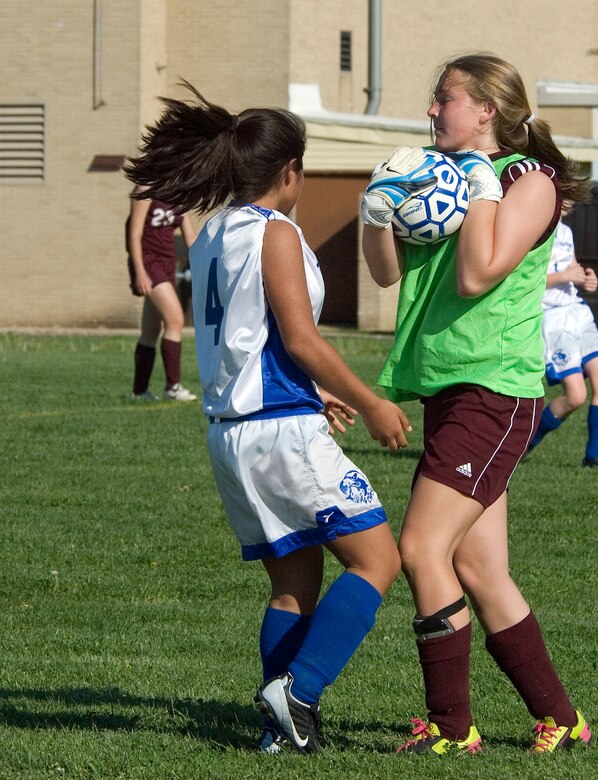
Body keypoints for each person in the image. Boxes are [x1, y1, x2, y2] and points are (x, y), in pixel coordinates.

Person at [123, 82, 412, 754]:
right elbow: (301, 338)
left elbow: (255, 339)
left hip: (233, 433)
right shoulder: (274, 231)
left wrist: (315, 391)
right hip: (280, 430)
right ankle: (298, 690)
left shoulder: (214, 233)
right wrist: (370, 401)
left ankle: (278, 734)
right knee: (377, 560)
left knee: (294, 582)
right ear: (290, 172)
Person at [361, 53, 592, 755]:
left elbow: (475, 275)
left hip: (494, 389)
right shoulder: (445, 176)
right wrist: (377, 211)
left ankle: (453, 730)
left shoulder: (529, 180)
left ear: (488, 109)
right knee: (479, 569)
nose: (432, 112)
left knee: (420, 547)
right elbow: (383, 272)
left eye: (445, 99)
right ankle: (564, 719)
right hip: (449, 383)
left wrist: (481, 186)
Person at [527, 202, 598, 466]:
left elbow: (574, 270)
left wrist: (587, 279)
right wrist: (563, 275)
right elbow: (525, 278)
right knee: (576, 396)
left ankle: (593, 457)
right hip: (553, 318)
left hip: (577, 311)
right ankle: (524, 446)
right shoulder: (531, 230)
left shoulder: (565, 231)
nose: (569, 199)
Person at [127, 187, 198, 401]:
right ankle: (172, 388)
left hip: (168, 264)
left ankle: (139, 392)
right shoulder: (146, 189)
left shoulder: (179, 193)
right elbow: (135, 234)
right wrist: (139, 272)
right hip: (149, 264)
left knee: (150, 330)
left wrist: (209, 261)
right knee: (175, 320)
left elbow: (190, 239)